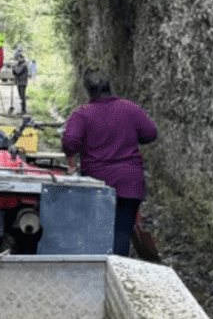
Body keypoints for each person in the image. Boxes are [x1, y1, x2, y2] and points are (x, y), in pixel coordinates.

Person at [61, 69, 157, 257]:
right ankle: (117, 273)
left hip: (97, 183)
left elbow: (70, 143)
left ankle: (96, 273)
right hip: (130, 183)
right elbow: (150, 133)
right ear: (109, 86)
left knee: (95, 231)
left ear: (88, 90)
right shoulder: (130, 108)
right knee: (121, 234)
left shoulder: (82, 114)